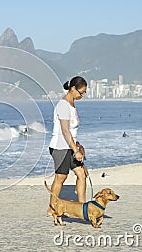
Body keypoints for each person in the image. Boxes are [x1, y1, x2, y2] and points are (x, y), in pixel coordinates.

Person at [48, 76, 88, 215]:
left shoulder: (71, 105)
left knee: (81, 174)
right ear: (72, 89)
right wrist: (75, 151)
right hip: (60, 147)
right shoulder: (63, 105)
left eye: (84, 93)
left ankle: (82, 208)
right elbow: (65, 131)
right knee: (61, 177)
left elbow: (72, 131)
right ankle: (52, 208)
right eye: (81, 92)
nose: (82, 95)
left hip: (70, 146)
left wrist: (78, 146)